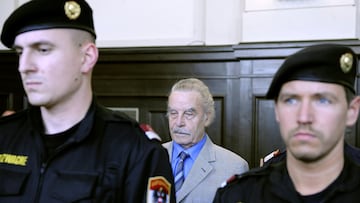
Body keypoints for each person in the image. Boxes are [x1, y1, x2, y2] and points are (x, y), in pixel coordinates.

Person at [0, 0, 175, 202]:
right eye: (20, 52)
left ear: (87, 57)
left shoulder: (136, 151)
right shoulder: (5, 136)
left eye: (43, 50)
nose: (24, 66)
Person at [213, 44, 360, 202]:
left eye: (323, 100)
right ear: (277, 110)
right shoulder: (240, 195)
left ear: (351, 112)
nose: (304, 117)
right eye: (291, 100)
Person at [163, 78, 249, 203]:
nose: (178, 122)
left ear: (207, 117)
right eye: (173, 113)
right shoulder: (149, 157)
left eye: (188, 114)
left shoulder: (234, 167)